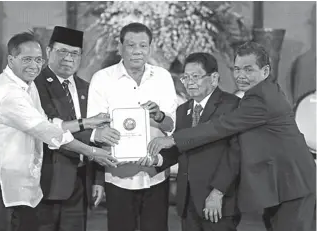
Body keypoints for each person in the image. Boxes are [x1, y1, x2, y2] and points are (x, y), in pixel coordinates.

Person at [148, 42, 316, 231]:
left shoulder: (260, 99)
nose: (241, 76)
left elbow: (221, 126)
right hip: (280, 184)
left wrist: (173, 139)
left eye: (248, 69)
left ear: (265, 71)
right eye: (237, 69)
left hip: (293, 184)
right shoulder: (258, 93)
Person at [0, 32, 117, 231]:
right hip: (0, 188)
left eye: (38, 60)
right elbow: (48, 132)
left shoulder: (27, 86)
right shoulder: (9, 93)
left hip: (20, 188)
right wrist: (93, 152)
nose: (34, 65)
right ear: (11, 60)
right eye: (27, 59)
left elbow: (49, 123)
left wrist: (87, 122)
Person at [87, 22, 178, 231]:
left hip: (155, 173)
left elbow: (172, 126)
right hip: (117, 175)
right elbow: (94, 130)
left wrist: (159, 115)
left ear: (150, 48)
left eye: (143, 45)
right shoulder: (102, 79)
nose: (137, 51)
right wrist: (104, 134)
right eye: (131, 45)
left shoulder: (163, 77)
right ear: (120, 47)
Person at [142, 52, 241, 231]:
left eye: (195, 76)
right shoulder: (183, 110)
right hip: (188, 202)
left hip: (218, 201)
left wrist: (218, 193)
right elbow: (180, 147)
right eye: (185, 77)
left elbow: (235, 155)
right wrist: (155, 160)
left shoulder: (231, 105)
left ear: (214, 78)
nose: (189, 82)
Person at [34, 26, 108, 231]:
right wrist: (91, 130)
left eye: (74, 53)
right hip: (46, 182)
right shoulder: (36, 85)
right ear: (48, 52)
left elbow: (99, 135)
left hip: (81, 183)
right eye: (62, 51)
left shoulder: (87, 88)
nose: (68, 58)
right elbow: (50, 128)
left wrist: (98, 180)